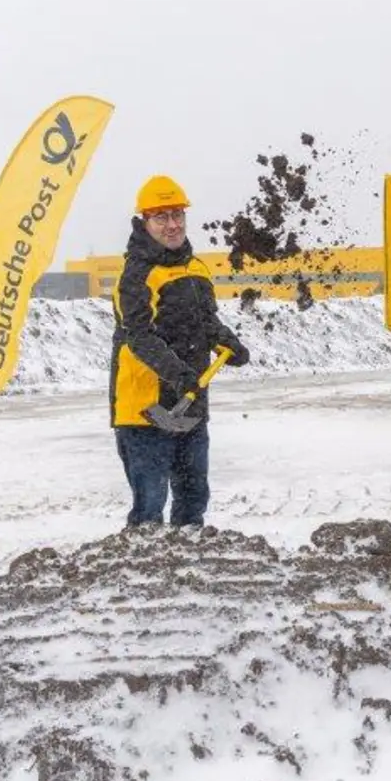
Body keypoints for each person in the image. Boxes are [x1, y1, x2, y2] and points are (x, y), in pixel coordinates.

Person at [110, 175, 250, 527]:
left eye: (177, 216)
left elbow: (206, 322)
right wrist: (180, 376)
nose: (172, 225)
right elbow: (139, 336)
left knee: (192, 499)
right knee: (150, 507)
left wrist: (226, 341)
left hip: (190, 406)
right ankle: (140, 572)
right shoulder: (136, 276)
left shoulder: (196, 268)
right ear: (145, 221)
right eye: (161, 218)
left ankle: (188, 570)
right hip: (146, 411)